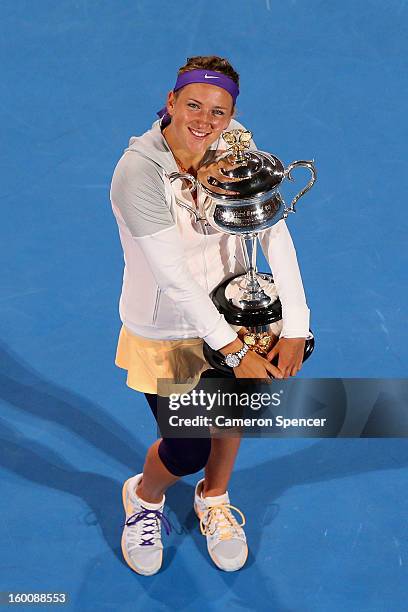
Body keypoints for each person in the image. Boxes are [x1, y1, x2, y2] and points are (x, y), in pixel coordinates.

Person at [110, 56, 310, 576]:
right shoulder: (138, 173)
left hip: (235, 314)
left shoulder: (235, 142)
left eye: (219, 111)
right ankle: (145, 499)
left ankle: (214, 498)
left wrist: (295, 324)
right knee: (188, 444)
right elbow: (175, 280)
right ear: (171, 102)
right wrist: (235, 351)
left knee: (234, 416)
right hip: (170, 330)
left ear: (232, 113)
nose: (205, 121)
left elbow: (273, 232)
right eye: (193, 105)